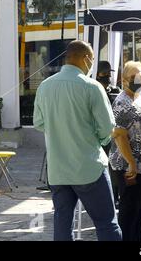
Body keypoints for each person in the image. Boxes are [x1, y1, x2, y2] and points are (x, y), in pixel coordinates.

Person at [33, 40, 122, 241]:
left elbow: (39, 123)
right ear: (86, 58)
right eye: (91, 59)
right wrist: (95, 140)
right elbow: (107, 128)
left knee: (63, 225)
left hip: (58, 170)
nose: (92, 64)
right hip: (89, 167)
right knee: (107, 223)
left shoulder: (45, 86)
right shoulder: (92, 87)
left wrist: (59, 130)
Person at [109, 61, 141, 241]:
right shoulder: (123, 102)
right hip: (132, 169)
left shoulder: (138, 97)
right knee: (129, 216)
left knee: (140, 214)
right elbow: (119, 135)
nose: (140, 78)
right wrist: (131, 162)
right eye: (134, 76)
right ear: (124, 80)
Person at [96, 60, 122, 204]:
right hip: (99, 135)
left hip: (114, 135)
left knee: (114, 168)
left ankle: (115, 195)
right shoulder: (92, 90)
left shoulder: (115, 91)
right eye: (103, 73)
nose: (107, 77)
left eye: (108, 73)